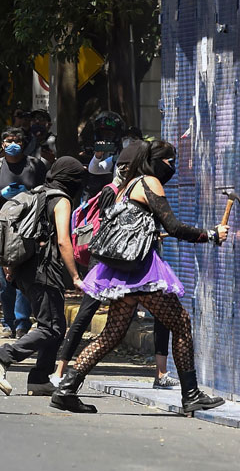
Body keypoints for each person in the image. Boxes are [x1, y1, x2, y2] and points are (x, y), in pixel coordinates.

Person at [51, 140, 226, 415]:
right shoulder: (149, 182)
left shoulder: (126, 186)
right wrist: (211, 234)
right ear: (156, 160)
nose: (173, 166)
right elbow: (174, 226)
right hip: (141, 269)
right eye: (171, 160)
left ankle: (66, 389)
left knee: (111, 335)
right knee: (181, 323)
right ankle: (191, 395)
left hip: (121, 271)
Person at [0, 157, 86, 397]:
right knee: (51, 327)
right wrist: (76, 276)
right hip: (43, 270)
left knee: (56, 327)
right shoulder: (61, 199)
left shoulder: (39, 193)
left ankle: (39, 379)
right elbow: (62, 240)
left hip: (25, 268)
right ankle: (0, 357)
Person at [0, 126, 48, 340]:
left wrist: (29, 194)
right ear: (2, 143)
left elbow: (45, 192)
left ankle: (22, 322)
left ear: (23, 144)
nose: (12, 144)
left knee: (23, 274)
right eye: (8, 140)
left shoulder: (35, 165)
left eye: (17, 140)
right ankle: (8, 323)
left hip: (27, 224)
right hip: (2, 227)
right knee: (5, 279)